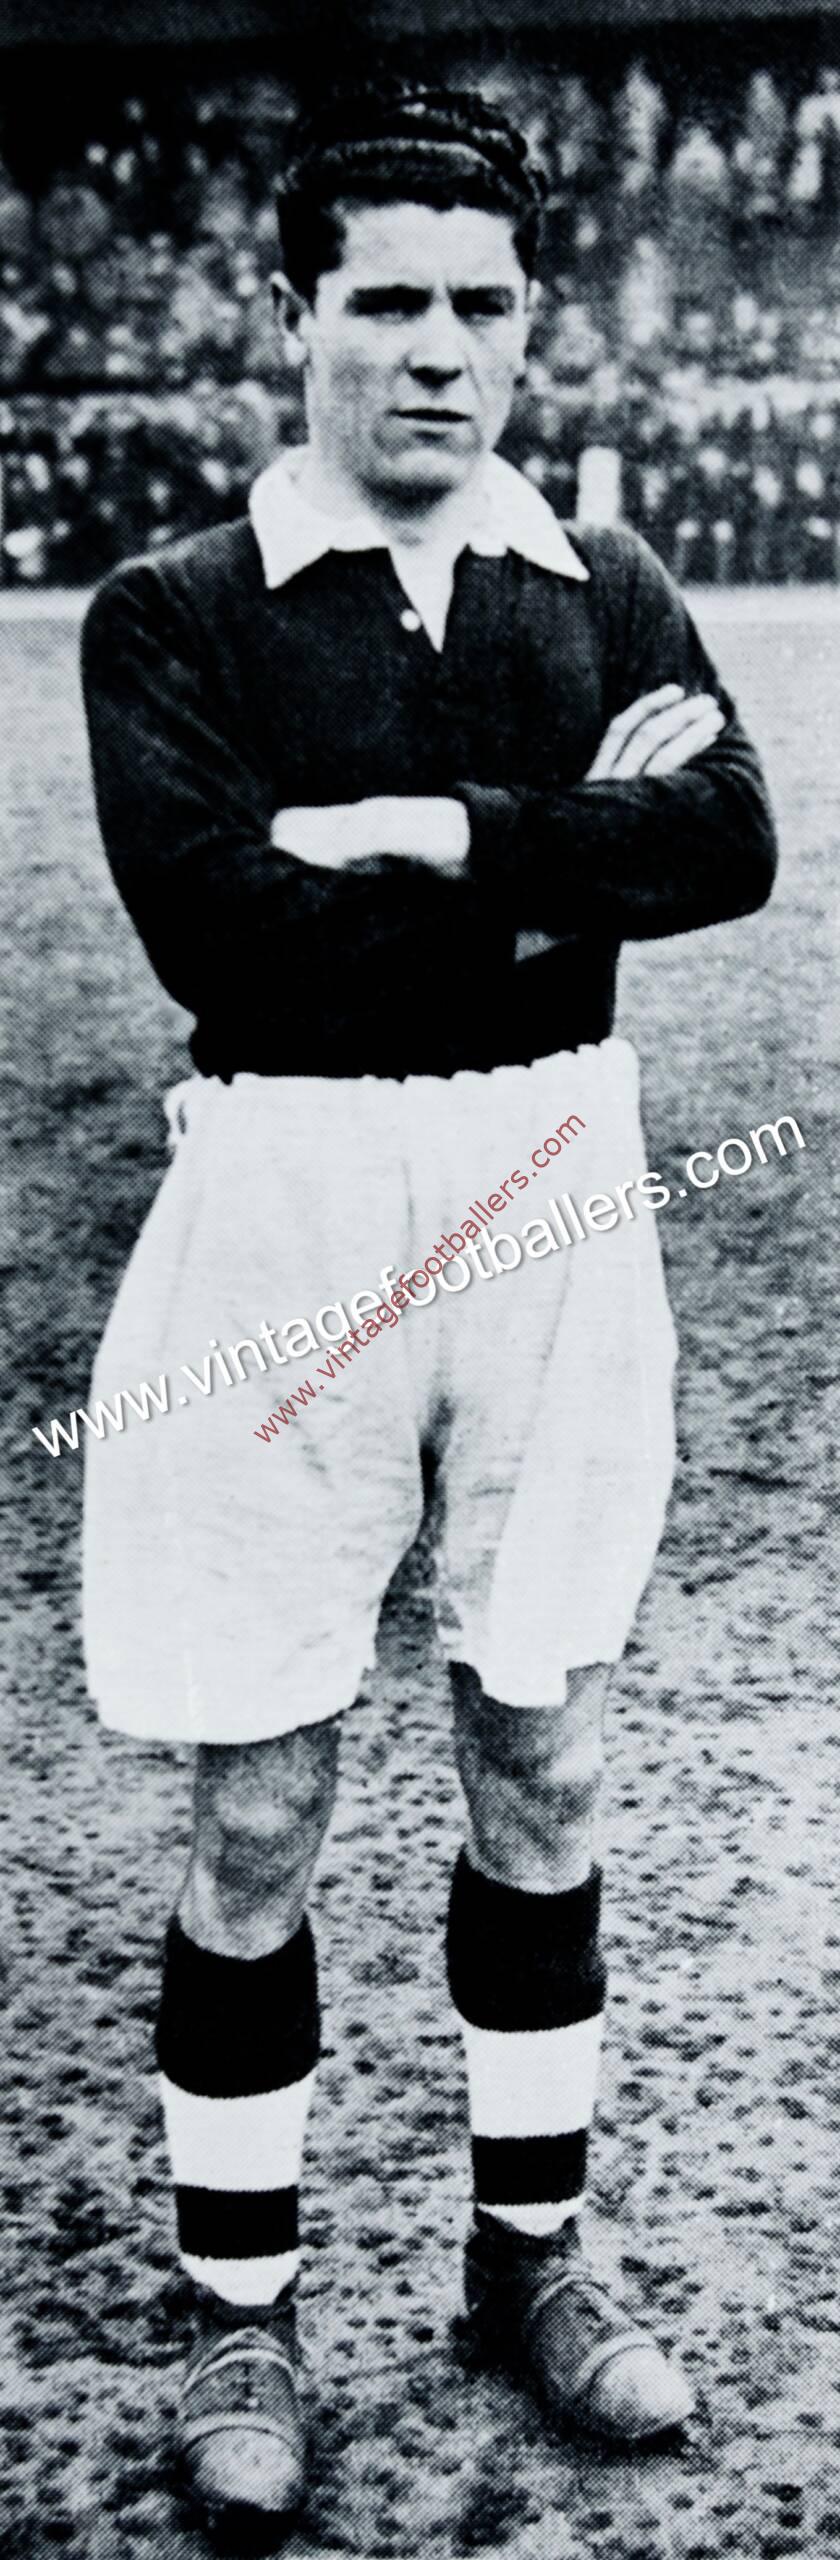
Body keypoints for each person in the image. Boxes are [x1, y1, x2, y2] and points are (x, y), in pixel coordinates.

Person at [80, 80, 777, 2537]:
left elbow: (731, 846)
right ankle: (239, 2297)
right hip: (285, 1194)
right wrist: (569, 855)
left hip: (556, 1180)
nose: (440, 350)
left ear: (530, 321)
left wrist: (428, 832)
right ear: (296, 315)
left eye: (483, 303)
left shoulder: (606, 578)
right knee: (262, 1790)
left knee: (546, 1750)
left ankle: (528, 2259)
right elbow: (222, 927)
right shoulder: (174, 608)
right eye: (387, 300)